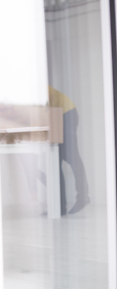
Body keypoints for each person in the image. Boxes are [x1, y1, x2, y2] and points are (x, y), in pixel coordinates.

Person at [48, 86, 90, 215]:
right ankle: (60, 206)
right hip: (57, 114)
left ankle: (82, 197)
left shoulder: (35, 86)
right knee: (57, 160)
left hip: (66, 113)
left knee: (72, 157)